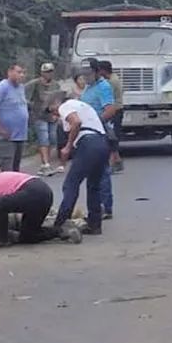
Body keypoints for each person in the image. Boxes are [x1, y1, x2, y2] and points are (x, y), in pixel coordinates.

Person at [0, 171, 81, 247]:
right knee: (28, 236)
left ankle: (0, 239)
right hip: (43, 192)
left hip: (33, 191)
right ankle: (62, 231)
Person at [49, 91, 109, 235]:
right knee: (93, 185)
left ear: (56, 104)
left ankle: (61, 223)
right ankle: (95, 224)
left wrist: (68, 146)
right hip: (102, 143)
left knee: (71, 184)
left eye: (53, 111)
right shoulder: (83, 106)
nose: (56, 116)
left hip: (88, 143)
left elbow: (76, 122)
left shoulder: (65, 106)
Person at [77, 58, 118, 219]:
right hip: (87, 134)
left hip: (99, 132)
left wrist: (95, 122)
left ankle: (106, 207)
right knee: (93, 172)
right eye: (84, 74)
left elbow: (110, 110)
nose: (86, 77)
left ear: (96, 72)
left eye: (89, 73)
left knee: (102, 172)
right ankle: (97, 206)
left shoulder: (103, 87)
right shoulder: (88, 87)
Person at [0, 62, 29, 172]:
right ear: (10, 72)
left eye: (24, 73)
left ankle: (14, 189)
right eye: (19, 72)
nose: (22, 75)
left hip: (20, 136)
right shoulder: (1, 88)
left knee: (15, 170)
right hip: (6, 137)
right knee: (6, 169)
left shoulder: (20, 88)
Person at [25, 63, 62, 176]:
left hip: (51, 115)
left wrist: (57, 110)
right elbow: (24, 97)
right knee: (43, 138)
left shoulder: (56, 85)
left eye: (50, 71)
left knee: (52, 138)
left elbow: (59, 98)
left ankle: (45, 163)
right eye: (46, 71)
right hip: (39, 115)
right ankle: (46, 164)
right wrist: (33, 106)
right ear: (42, 72)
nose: (48, 73)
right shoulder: (34, 84)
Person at [99, 60, 125, 173]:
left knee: (112, 137)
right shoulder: (114, 78)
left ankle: (112, 163)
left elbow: (106, 96)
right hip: (117, 109)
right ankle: (118, 161)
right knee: (112, 136)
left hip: (115, 110)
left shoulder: (111, 82)